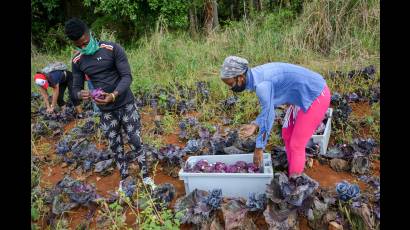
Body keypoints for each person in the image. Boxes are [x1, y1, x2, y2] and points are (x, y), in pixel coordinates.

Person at [64, 18, 155, 191]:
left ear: (89, 33)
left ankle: (146, 176)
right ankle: (124, 178)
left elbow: (127, 76)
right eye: (79, 45)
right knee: (115, 145)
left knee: (136, 141)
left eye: (85, 42)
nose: (84, 47)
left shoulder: (112, 49)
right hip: (105, 111)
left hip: (126, 104)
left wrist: (113, 95)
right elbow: (75, 87)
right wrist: (80, 93)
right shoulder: (77, 60)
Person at [219, 56, 331, 179]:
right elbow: (268, 108)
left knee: (296, 145)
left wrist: (259, 147)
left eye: (230, 84)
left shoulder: (262, 86)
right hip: (301, 96)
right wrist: (255, 124)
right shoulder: (256, 75)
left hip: (316, 95)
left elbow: (269, 115)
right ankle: (293, 171)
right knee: (287, 134)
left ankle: (295, 182)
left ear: (240, 78)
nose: (231, 88)